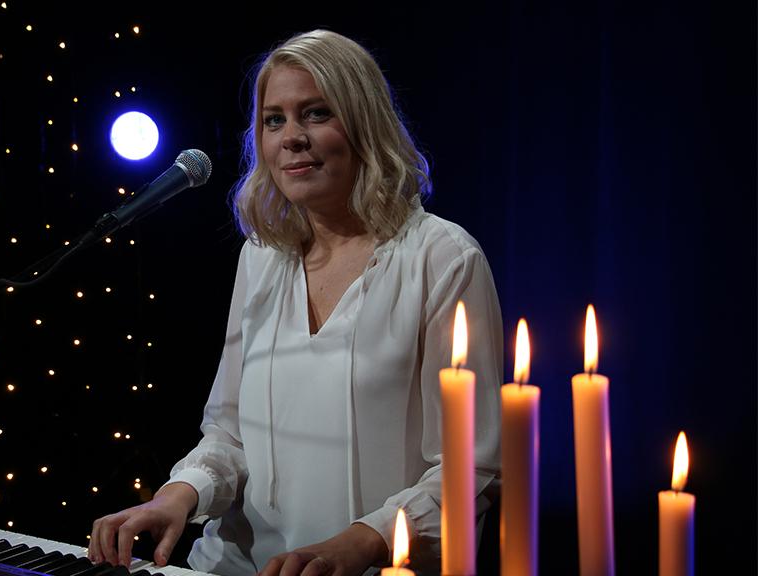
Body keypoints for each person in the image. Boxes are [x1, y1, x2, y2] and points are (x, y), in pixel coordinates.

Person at [88, 29, 502, 576]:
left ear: (365, 123)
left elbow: (471, 471)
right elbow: (229, 433)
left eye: (316, 113)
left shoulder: (442, 259)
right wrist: (178, 494)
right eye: (274, 120)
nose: (292, 138)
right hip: (230, 565)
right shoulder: (261, 256)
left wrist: (361, 542)